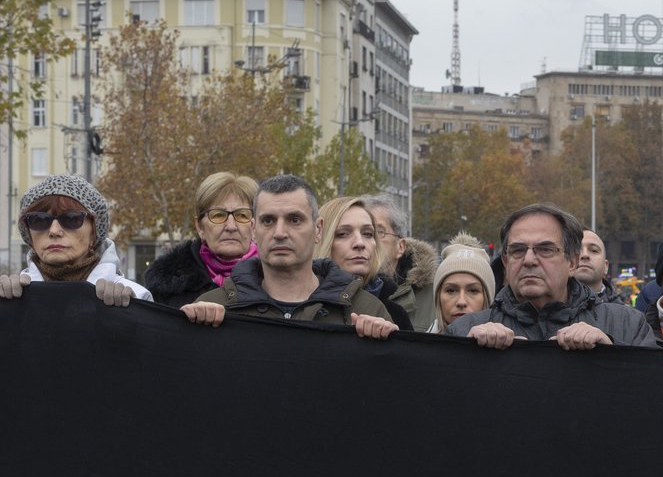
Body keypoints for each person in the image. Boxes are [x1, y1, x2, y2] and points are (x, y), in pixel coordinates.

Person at [186, 175, 396, 338]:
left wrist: (386, 343)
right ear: (253, 230)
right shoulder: (214, 308)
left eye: (294, 220)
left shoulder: (366, 310)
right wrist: (190, 329)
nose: (279, 233)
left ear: (318, 229)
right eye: (268, 221)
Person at [446, 203, 655, 350]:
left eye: (544, 249)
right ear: (506, 262)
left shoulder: (627, 325)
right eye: (518, 250)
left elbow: (652, 396)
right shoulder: (463, 331)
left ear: (572, 262)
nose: (529, 260)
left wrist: (611, 353)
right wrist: (467, 353)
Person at [0, 174, 151, 305]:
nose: (54, 231)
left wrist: (132, 314)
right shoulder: (11, 299)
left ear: (94, 232)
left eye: (71, 219)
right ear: (29, 234)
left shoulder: (136, 297)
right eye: (39, 220)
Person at [143, 172, 259, 308]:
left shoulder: (276, 281)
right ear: (200, 227)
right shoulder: (166, 288)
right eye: (218, 215)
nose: (231, 226)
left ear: (254, 225)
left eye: (242, 215)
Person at [314, 196, 414, 330]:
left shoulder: (394, 314)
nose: (360, 243)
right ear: (322, 239)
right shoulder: (298, 302)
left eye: (367, 234)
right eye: (343, 234)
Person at [363, 195, 439, 331]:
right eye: (366, 233)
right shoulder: (341, 293)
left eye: (379, 232)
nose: (370, 241)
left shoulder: (434, 296)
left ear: (400, 247)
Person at [426, 232, 495, 334]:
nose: (461, 302)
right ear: (438, 297)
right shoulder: (420, 348)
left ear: (488, 298)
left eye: (473, 291)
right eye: (451, 290)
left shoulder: (509, 343)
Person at [573, 229, 631, 305]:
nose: (585, 255)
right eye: (577, 250)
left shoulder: (628, 316)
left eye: (594, 250)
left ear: (605, 266)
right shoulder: (552, 312)